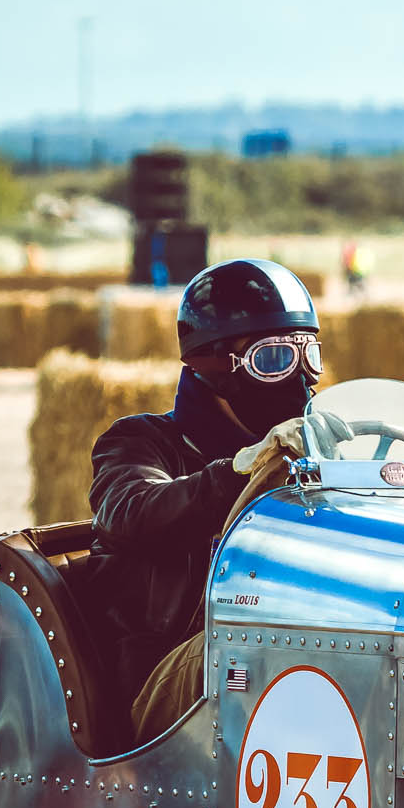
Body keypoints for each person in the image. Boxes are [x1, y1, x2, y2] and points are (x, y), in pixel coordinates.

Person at [89, 258, 323, 742]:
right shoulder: (140, 441)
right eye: (274, 358)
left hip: (258, 647)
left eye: (308, 356)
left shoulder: (302, 453)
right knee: (266, 644)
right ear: (216, 366)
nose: (300, 379)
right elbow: (131, 510)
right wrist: (238, 471)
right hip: (166, 677)